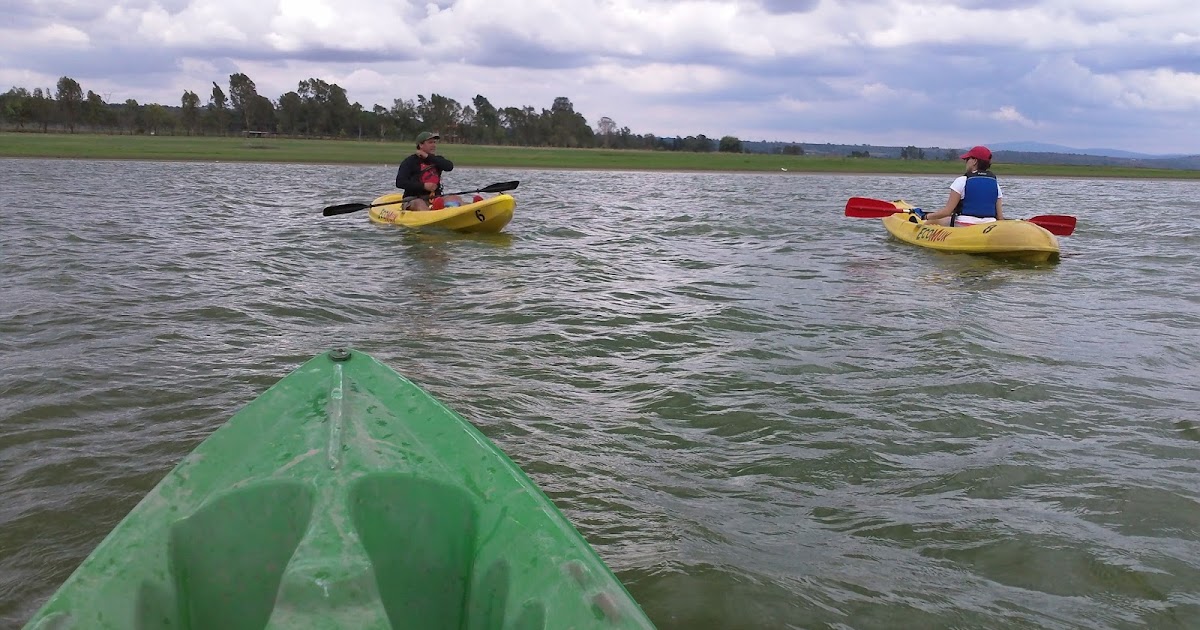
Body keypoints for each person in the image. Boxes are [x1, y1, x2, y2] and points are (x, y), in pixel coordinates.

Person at [923, 145, 1004, 226]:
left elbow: (947, 212)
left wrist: (926, 216)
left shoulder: (962, 181)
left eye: (967, 159)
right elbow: (1000, 217)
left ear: (975, 161)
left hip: (965, 224)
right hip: (989, 225)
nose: (966, 162)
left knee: (934, 221)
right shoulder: (995, 184)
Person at [394, 131, 463, 211]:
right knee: (419, 203)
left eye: (434, 142)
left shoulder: (437, 160)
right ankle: (432, 213)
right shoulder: (409, 161)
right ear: (421, 145)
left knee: (455, 198)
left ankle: (464, 210)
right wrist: (423, 186)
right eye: (430, 142)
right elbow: (400, 182)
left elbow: (449, 167)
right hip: (413, 199)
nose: (434, 145)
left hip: (435, 198)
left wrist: (428, 157)